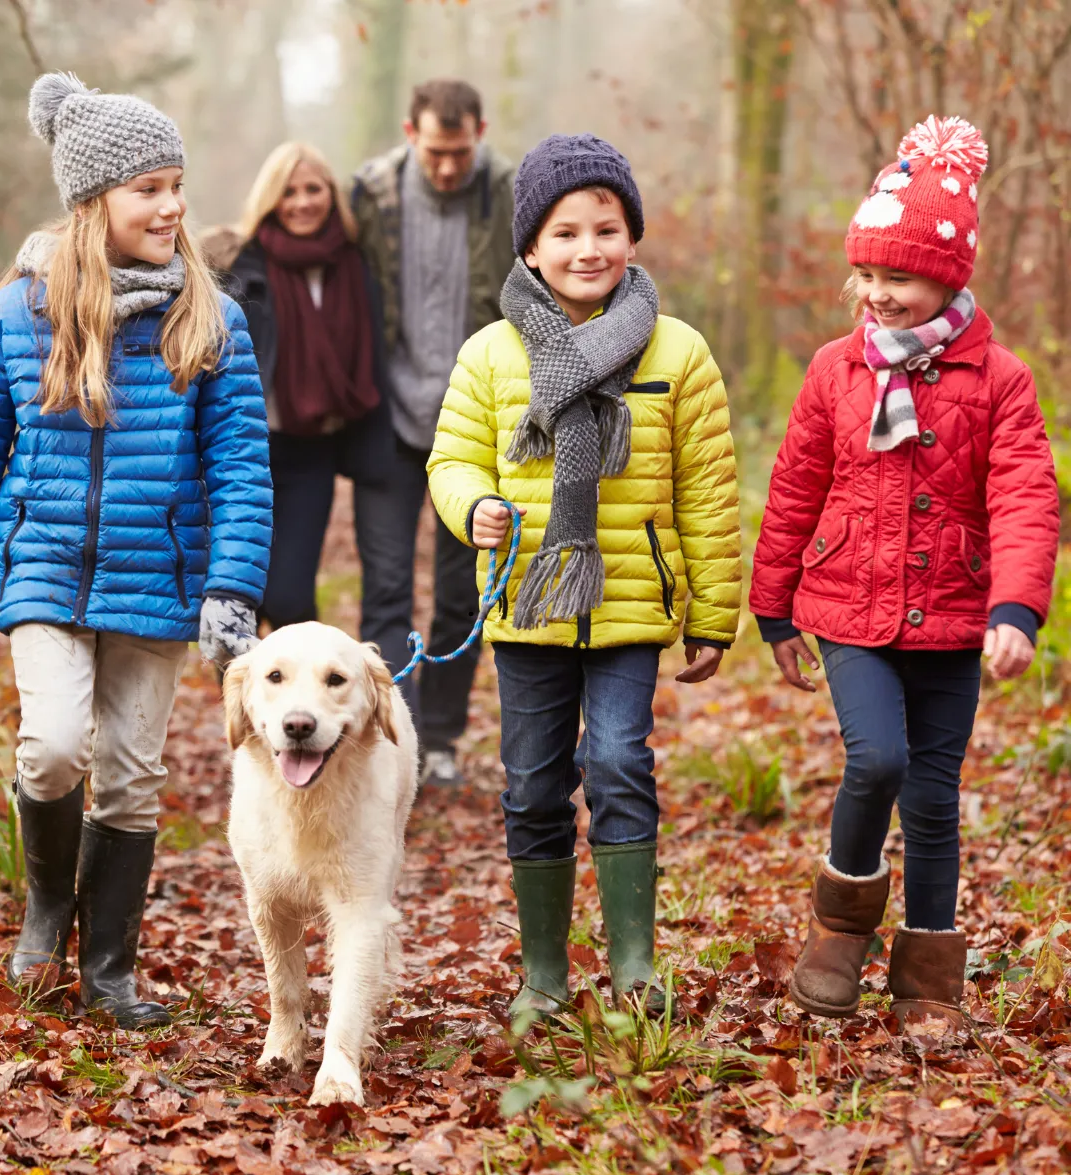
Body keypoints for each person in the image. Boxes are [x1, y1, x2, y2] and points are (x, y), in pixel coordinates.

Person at [0, 72, 273, 1028]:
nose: (173, 205)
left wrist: (232, 589)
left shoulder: (210, 319)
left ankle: (109, 967)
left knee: (129, 769)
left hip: (159, 580)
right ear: (92, 201)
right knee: (53, 747)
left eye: (176, 184)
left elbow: (242, 468)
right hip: (42, 572)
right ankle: (46, 910)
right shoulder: (15, 317)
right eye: (148, 188)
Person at [750, 116, 1060, 1029]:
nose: (881, 296)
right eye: (871, 277)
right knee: (877, 758)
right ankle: (839, 930)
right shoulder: (834, 371)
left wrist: (1015, 606)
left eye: (902, 277)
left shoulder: (1000, 379)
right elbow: (797, 482)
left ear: (949, 275)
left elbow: (1025, 494)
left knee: (933, 797)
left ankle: (928, 975)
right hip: (850, 608)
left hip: (957, 614)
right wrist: (773, 608)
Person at [427, 134, 742, 1018]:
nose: (587, 249)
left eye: (606, 228)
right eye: (565, 233)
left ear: (632, 238)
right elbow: (450, 461)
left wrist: (714, 615)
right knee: (532, 783)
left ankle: (634, 966)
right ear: (531, 247)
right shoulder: (492, 355)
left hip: (631, 605)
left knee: (615, 763)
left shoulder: (676, 352)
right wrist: (473, 506)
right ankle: (543, 974)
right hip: (529, 603)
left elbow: (709, 491)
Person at [352, 79, 515, 787]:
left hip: (476, 425)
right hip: (388, 418)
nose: (447, 167)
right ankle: (392, 734)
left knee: (460, 592)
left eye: (460, 150)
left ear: (479, 131)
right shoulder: (372, 194)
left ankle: (440, 736)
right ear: (409, 132)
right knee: (386, 587)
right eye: (435, 151)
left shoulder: (508, 191)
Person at [207, 143, 392, 630]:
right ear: (271, 198)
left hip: (313, 451)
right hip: (247, 449)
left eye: (314, 189)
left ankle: (293, 672)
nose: (303, 202)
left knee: (289, 597)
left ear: (332, 195)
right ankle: (252, 696)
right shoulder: (240, 264)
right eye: (289, 192)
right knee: (242, 591)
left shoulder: (354, 264)